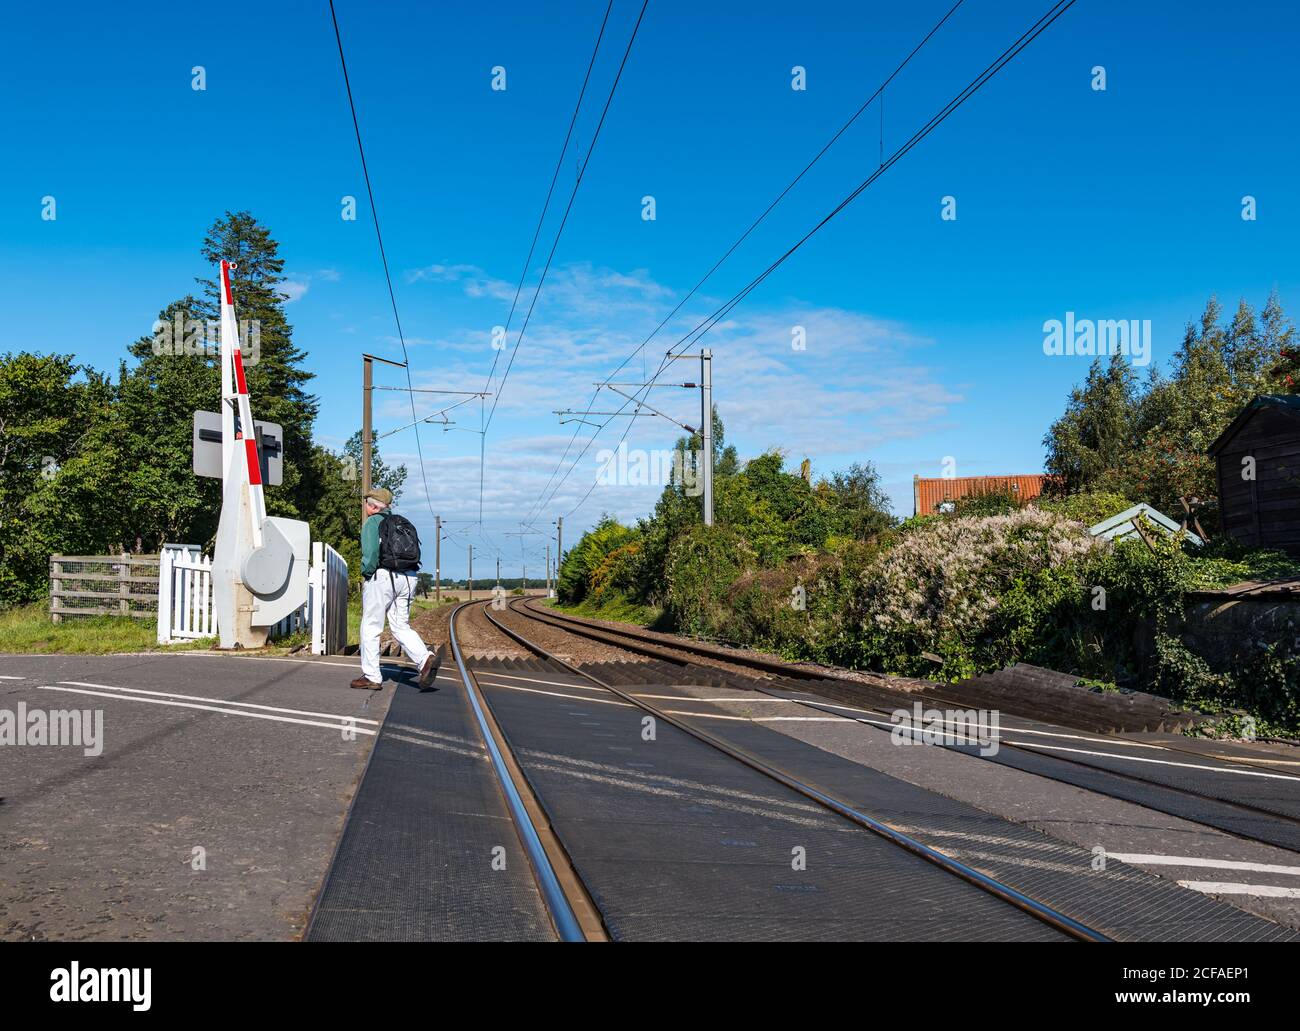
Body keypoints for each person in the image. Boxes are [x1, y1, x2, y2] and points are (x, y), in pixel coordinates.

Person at [352, 487, 438, 691]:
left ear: (373, 506)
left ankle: (372, 676)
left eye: (366, 503)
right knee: (400, 625)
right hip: (409, 577)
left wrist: (367, 573)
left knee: (371, 626)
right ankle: (425, 659)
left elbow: (371, 553)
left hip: (383, 576)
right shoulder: (401, 522)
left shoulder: (372, 523)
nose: (365, 507)